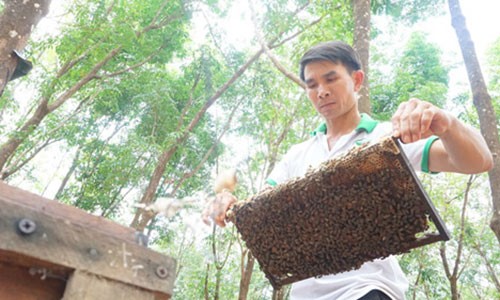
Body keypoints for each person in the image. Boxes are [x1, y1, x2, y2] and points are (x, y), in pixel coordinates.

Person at [202, 41, 493, 300]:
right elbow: (263, 210)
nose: (322, 91)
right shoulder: (296, 155)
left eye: (331, 79)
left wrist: (446, 124)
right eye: (312, 84)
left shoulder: (386, 137)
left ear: (356, 80)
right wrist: (229, 205)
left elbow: (478, 161)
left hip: (367, 290)